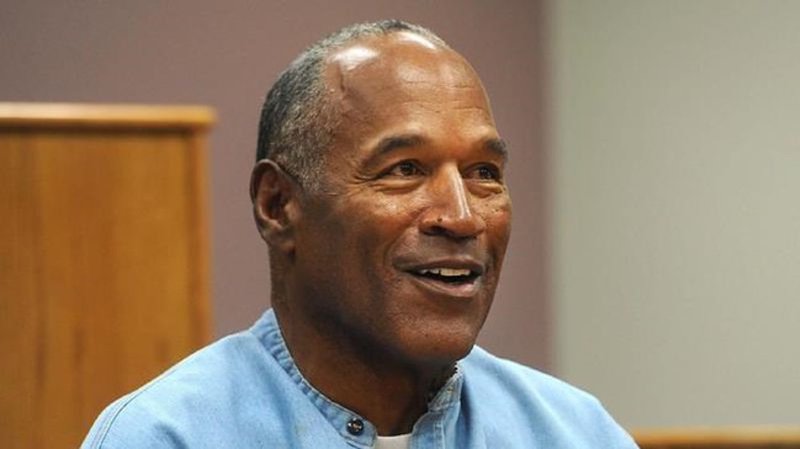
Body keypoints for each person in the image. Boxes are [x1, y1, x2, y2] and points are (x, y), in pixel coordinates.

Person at [81, 20, 638, 449]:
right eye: (405, 169)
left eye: (484, 173)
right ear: (278, 206)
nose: (463, 216)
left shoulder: (574, 432)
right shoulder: (169, 436)